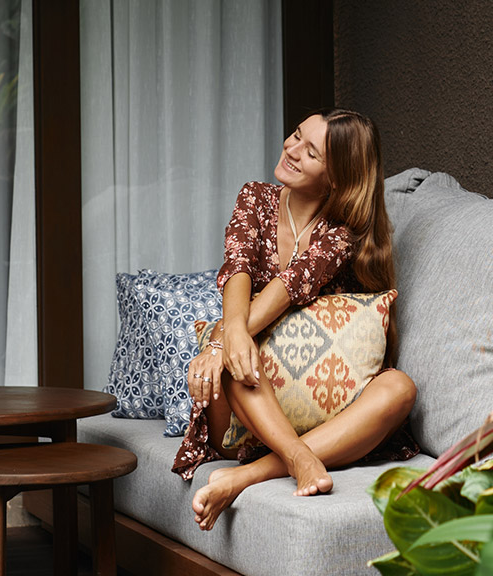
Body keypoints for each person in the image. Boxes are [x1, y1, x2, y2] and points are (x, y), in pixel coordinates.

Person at [172, 109, 418, 531]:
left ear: (337, 177)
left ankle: (253, 473)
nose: (292, 150)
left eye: (312, 152)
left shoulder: (342, 231)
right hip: (245, 404)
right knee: (239, 357)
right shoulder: (256, 198)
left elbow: (289, 287)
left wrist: (226, 339)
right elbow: (239, 268)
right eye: (296, 135)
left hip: (321, 410)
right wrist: (225, 341)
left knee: (401, 388)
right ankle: (299, 458)